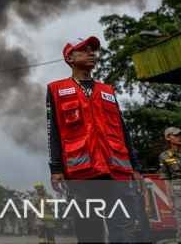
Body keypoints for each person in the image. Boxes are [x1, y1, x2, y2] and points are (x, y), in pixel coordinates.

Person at [47, 36, 143, 244]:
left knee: (124, 232)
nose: (91, 53)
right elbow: (53, 130)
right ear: (69, 58)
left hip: (117, 172)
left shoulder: (107, 90)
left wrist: (135, 167)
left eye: (92, 50)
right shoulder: (56, 90)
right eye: (83, 50)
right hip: (82, 174)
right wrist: (55, 169)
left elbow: (123, 130)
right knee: (89, 233)